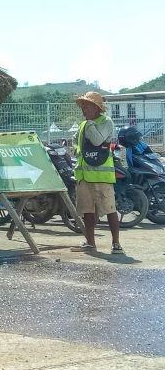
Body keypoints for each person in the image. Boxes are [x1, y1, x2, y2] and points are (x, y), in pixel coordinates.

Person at [71, 91, 124, 254]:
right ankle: (90, 242)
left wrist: (90, 124)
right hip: (84, 176)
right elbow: (75, 141)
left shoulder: (105, 122)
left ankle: (116, 243)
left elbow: (97, 140)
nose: (83, 110)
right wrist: (75, 149)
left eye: (86, 106)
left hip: (102, 176)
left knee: (109, 209)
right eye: (83, 106)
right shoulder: (83, 125)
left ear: (96, 108)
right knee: (87, 211)